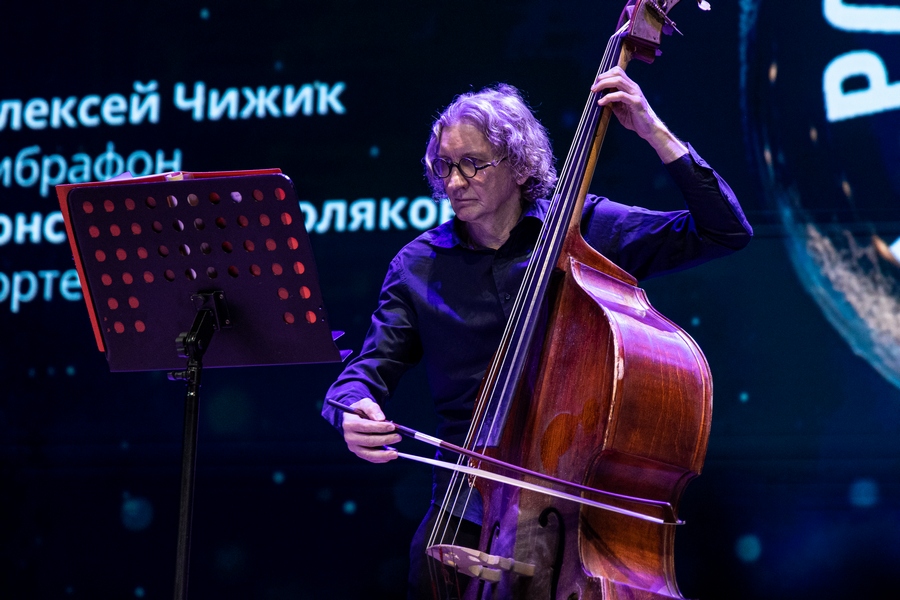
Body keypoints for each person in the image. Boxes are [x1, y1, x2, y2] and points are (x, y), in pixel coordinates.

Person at [321, 66, 752, 598]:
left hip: (570, 516)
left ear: (521, 166)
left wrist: (652, 130)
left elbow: (723, 229)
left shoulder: (584, 230)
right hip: (463, 512)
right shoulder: (418, 266)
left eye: (472, 164)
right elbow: (367, 370)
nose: (453, 182)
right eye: (443, 166)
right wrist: (350, 408)